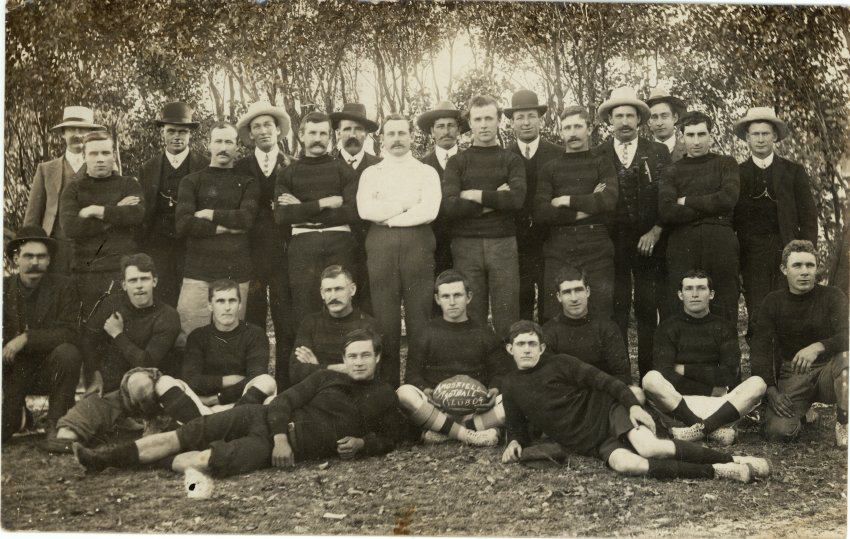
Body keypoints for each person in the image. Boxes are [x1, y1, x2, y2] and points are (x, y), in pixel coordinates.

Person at [74, 329, 405, 478]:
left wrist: (364, 443)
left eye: (365, 355)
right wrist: (278, 439)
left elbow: (394, 437)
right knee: (186, 435)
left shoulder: (385, 394)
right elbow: (283, 402)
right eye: (352, 356)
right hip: (258, 419)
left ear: (377, 357)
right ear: (344, 358)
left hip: (278, 446)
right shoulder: (325, 378)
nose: (358, 362)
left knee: (206, 461)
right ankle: (101, 460)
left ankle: (148, 462)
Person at [500, 321, 770, 483]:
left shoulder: (561, 364)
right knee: (628, 465)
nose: (526, 349)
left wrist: (632, 406)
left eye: (532, 344)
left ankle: (735, 458)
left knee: (649, 447)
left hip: (608, 413)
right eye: (521, 344)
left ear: (542, 347)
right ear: (510, 349)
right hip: (591, 442)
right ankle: (720, 471)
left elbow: (610, 383)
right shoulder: (510, 385)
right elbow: (515, 426)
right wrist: (514, 440)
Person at [49, 253, 181, 452]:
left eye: (144, 279)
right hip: (115, 392)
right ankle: (119, 424)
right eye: (133, 280)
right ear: (124, 285)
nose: (139, 286)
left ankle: (155, 422)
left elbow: (147, 362)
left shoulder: (167, 315)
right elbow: (87, 338)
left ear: (154, 281)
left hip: (151, 391)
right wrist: (95, 374)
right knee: (65, 436)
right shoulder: (111, 305)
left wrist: (118, 334)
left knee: (139, 382)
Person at [592, 87, 671, 380]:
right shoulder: (596, 153)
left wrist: (656, 230)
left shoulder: (658, 152)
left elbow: (668, 196)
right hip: (611, 248)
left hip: (650, 245)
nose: (624, 121)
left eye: (630, 115)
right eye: (619, 116)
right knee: (617, 311)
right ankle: (621, 379)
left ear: (639, 120)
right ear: (610, 120)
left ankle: (650, 378)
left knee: (648, 310)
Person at [357, 114, 441, 387]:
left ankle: (419, 387)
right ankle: (387, 389)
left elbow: (429, 211)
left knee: (420, 319)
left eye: (401, 133)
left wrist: (390, 216)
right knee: (385, 321)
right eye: (390, 134)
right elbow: (366, 210)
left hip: (418, 245)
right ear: (382, 138)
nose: (396, 139)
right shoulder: (371, 173)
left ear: (411, 137)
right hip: (381, 246)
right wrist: (406, 203)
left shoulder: (426, 172)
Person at [642, 270, 767, 446]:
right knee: (651, 379)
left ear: (711, 294)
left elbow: (729, 374)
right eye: (688, 289)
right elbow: (665, 374)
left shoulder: (724, 327)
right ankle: (711, 430)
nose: (694, 294)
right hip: (678, 404)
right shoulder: (667, 328)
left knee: (758, 383)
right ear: (680, 294)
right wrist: (709, 389)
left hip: (719, 407)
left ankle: (698, 430)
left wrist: (684, 369)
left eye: (701, 288)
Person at [442, 94, 527, 338]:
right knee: (471, 312)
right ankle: (474, 370)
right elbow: (450, 207)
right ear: (469, 122)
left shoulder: (511, 160)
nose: (484, 125)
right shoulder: (457, 162)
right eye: (478, 119)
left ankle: (508, 372)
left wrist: (473, 194)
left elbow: (516, 200)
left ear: (499, 120)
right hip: (465, 245)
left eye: (489, 118)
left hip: (503, 244)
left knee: (507, 312)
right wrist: (495, 199)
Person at [750, 240, 848, 447]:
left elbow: (847, 333)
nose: (804, 272)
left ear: (817, 268)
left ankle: (844, 422)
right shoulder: (773, 301)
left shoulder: (832, 296)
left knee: (846, 359)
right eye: (797, 266)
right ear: (784, 269)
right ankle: (805, 413)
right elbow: (760, 349)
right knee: (777, 433)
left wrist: (818, 346)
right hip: (793, 373)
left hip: (829, 372)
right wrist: (771, 391)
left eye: (810, 265)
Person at [396, 270, 511, 447]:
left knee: (513, 397)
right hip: (437, 407)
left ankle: (445, 432)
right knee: (403, 394)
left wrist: (494, 390)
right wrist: (425, 389)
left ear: (469, 297)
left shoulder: (484, 333)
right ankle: (469, 434)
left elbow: (500, 372)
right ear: (437, 299)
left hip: (476, 408)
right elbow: (412, 374)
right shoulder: (425, 332)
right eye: (446, 296)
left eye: (457, 295)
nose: (451, 302)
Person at [733, 107, 818, 342]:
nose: (760, 139)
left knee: (789, 310)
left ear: (775, 137)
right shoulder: (737, 173)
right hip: (752, 255)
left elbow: (808, 217)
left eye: (766, 134)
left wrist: (805, 253)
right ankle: (762, 372)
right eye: (755, 134)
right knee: (758, 312)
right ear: (747, 138)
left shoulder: (793, 171)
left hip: (786, 250)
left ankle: (788, 372)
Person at [175, 122, 259, 341]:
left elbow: (247, 219)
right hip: (197, 272)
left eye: (229, 142)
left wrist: (209, 214)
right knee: (191, 338)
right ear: (209, 145)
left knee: (232, 339)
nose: (223, 147)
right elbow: (183, 223)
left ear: (237, 147)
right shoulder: (191, 181)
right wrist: (227, 227)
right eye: (218, 141)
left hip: (236, 272)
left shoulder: (247, 182)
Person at [275, 111, 360, 323]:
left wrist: (302, 210)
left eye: (323, 134)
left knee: (343, 305)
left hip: (340, 243)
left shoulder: (343, 170)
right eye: (312, 133)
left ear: (330, 137)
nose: (318, 138)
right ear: (301, 135)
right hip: (303, 245)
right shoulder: (288, 173)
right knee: (305, 307)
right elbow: (282, 215)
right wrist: (322, 203)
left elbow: (351, 211)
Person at [152, 279, 276, 425]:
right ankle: (222, 427)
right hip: (202, 407)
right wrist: (227, 380)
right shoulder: (198, 336)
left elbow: (255, 377)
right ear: (210, 305)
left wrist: (217, 398)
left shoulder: (255, 334)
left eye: (232, 301)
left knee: (266, 381)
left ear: (240, 304)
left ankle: (205, 428)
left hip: (239, 403)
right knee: (163, 382)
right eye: (220, 301)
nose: (227, 307)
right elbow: (191, 380)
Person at [535, 105, 618, 321]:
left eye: (578, 126)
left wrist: (565, 200)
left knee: (601, 311)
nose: (572, 133)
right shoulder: (550, 168)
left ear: (589, 129)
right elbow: (542, 211)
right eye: (567, 128)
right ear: (561, 132)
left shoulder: (602, 163)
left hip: (597, 244)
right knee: (554, 314)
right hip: (558, 245)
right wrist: (589, 206)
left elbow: (608, 200)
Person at [234, 101, 295, 389]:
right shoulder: (240, 168)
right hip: (251, 255)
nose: (262, 131)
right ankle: (254, 385)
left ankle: (284, 385)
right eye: (256, 126)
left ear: (278, 130)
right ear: (250, 133)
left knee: (285, 322)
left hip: (283, 256)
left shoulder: (292, 164)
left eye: (267, 125)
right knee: (253, 322)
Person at [659, 111, 740, 326]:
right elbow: (667, 211)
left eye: (702, 134)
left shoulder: (726, 163)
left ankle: (727, 358)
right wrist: (711, 206)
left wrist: (685, 201)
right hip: (682, 244)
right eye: (691, 135)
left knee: (724, 303)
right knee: (681, 305)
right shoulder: (671, 171)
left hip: (720, 241)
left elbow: (728, 199)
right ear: (682, 136)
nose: (696, 141)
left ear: (711, 136)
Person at [3, 226, 81, 443]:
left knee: (69, 352)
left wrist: (27, 338)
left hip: (50, 370)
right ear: (16, 258)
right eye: (28, 256)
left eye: (41, 256)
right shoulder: (3, 288)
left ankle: (56, 422)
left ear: (48, 260)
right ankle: (16, 414)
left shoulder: (63, 287)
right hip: (12, 371)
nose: (35, 262)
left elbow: (70, 332)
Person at [60, 131, 145, 318]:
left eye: (105, 153)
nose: (100, 159)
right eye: (93, 154)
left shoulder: (128, 184)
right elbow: (71, 227)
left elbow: (136, 215)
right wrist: (116, 211)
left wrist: (94, 211)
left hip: (120, 270)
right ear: (84, 157)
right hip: (85, 272)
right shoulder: (73, 188)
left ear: (113, 155)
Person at [137, 102, 207, 306]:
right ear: (162, 133)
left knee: (192, 301)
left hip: (192, 244)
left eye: (183, 132)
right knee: (162, 299)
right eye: (172, 131)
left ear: (190, 134)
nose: (177, 136)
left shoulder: (203, 165)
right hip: (158, 245)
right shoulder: (148, 168)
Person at [24, 106, 105, 274]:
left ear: (90, 134)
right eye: (71, 129)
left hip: (92, 248)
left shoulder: (105, 167)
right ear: (63, 134)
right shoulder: (46, 170)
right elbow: (32, 217)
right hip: (55, 248)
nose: (77, 134)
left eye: (82, 129)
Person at [505, 90, 562, 322]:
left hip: (550, 237)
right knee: (522, 297)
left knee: (551, 298)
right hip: (516, 239)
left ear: (540, 119)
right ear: (512, 122)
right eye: (520, 117)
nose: (526, 123)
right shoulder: (504, 155)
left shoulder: (558, 154)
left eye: (531, 116)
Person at [332, 102, 382, 315]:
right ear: (338, 133)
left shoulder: (380, 166)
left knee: (371, 305)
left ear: (366, 134)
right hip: (337, 248)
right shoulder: (327, 166)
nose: (353, 135)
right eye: (347, 129)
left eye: (358, 129)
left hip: (372, 247)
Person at [542, 266, 630, 384]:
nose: (574, 298)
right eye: (567, 292)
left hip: (602, 393)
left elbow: (622, 374)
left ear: (587, 291)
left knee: (636, 393)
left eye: (578, 290)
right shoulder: (548, 331)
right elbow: (546, 379)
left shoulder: (607, 327)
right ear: (559, 297)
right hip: (568, 397)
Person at [289, 265, 375, 385]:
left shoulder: (367, 324)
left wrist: (318, 367)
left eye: (339, 289)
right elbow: (295, 372)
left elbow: (369, 373)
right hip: (317, 392)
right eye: (328, 290)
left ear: (352, 290)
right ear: (322, 293)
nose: (333, 296)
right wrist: (342, 368)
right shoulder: (311, 322)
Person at [417, 100, 467, 279]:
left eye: (451, 125)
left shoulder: (470, 161)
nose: (446, 131)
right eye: (440, 126)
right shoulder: (421, 166)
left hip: (464, 239)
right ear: (432, 131)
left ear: (459, 130)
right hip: (432, 241)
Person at [646, 88, 687, 162]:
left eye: (664, 116)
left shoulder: (689, 152)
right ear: (649, 122)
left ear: (675, 118)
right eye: (654, 117)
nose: (659, 123)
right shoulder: (641, 154)